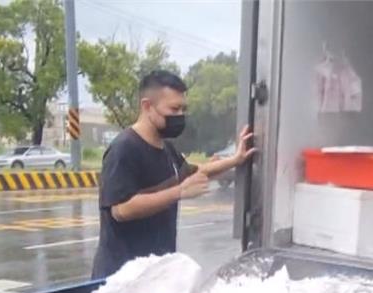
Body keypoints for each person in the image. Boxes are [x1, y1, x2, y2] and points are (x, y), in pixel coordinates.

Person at [91, 70, 255, 279]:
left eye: (183, 109)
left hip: (156, 274)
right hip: (121, 278)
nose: (179, 116)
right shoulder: (124, 149)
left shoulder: (166, 148)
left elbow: (193, 173)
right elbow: (121, 209)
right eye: (174, 109)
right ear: (147, 106)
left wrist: (235, 159)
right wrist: (179, 192)